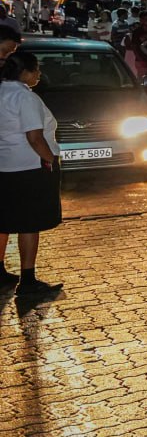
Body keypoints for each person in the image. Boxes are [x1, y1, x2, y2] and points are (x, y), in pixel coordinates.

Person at [0, 51, 63, 297]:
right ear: (24, 72)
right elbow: (35, 137)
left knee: (4, 221)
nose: (39, 73)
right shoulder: (25, 98)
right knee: (29, 223)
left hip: (4, 165)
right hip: (28, 167)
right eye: (36, 68)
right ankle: (28, 280)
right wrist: (50, 161)